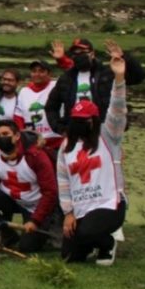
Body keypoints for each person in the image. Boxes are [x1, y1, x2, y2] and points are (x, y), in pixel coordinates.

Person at [57, 46, 129, 265]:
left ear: (94, 120)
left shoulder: (109, 135)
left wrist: (119, 78)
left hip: (109, 204)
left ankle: (107, 244)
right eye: (77, 119)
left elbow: (117, 110)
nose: (80, 123)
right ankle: (87, 242)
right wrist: (68, 213)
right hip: (81, 208)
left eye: (85, 119)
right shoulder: (66, 146)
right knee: (69, 256)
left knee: (86, 233)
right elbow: (64, 182)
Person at [0, 120, 59, 253]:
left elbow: (50, 191)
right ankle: (7, 233)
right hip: (14, 200)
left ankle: (49, 227)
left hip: (37, 206)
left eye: (5, 134)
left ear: (17, 136)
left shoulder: (36, 155)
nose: (1, 138)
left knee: (27, 247)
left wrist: (35, 220)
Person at [45, 38, 145, 136]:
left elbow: (139, 77)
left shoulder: (108, 73)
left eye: (82, 52)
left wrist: (125, 57)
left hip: (105, 133)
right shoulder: (66, 79)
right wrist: (61, 129)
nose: (79, 56)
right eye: (76, 53)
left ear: (92, 54)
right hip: (75, 135)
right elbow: (51, 107)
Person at [15, 60, 62, 155]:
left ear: (49, 73)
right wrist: (23, 135)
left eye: (41, 71)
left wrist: (62, 60)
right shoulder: (24, 91)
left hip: (56, 141)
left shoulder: (57, 86)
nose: (37, 74)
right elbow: (18, 117)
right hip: (33, 143)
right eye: (34, 71)